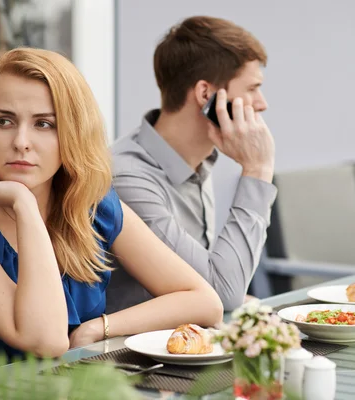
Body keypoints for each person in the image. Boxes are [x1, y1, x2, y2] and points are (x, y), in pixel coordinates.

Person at [0, 48, 223, 386]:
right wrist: (24, 205)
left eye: (44, 124)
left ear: (72, 132)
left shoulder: (94, 209)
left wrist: (100, 327)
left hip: (70, 388)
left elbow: (204, 301)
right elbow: (47, 341)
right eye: (4, 121)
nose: (21, 142)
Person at [107, 16, 277, 313]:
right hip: (130, 355)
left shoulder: (199, 161)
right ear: (206, 95)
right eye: (252, 88)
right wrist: (258, 171)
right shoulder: (128, 177)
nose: (261, 103)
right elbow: (222, 292)